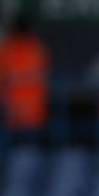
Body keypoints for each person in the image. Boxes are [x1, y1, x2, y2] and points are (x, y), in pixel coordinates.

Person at [0, 13, 49, 142]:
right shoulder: (34, 48)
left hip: (26, 112)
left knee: (27, 151)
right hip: (13, 112)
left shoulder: (32, 49)